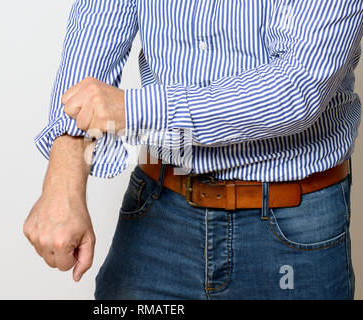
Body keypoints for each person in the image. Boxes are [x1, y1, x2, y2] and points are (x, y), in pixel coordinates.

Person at [23, 0, 363, 299]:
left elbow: (295, 90)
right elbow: (94, 34)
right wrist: (63, 183)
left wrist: (133, 109)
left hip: (291, 224)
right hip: (159, 206)